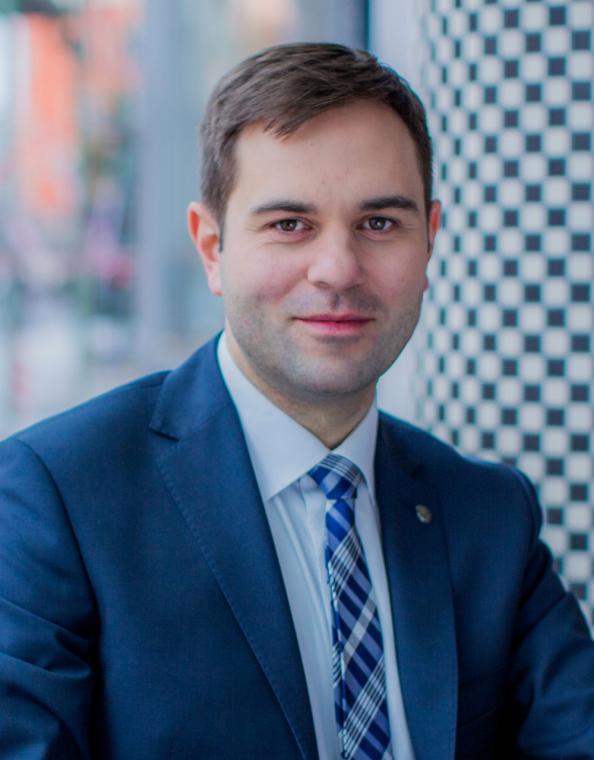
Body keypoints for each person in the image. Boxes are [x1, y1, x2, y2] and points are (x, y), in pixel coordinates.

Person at [0, 42, 593, 760]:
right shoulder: (55, 496)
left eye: (380, 223)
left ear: (430, 240)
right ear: (212, 247)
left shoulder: (488, 514)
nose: (337, 269)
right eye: (289, 224)